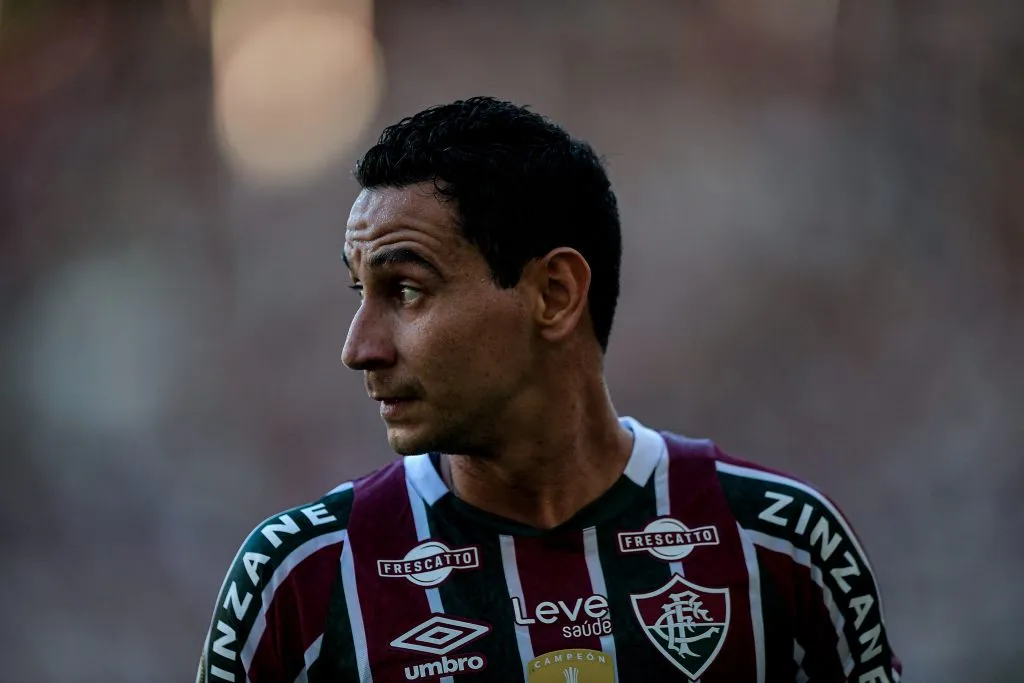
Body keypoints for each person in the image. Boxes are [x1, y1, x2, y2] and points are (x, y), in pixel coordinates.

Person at [196, 97, 901, 683]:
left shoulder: (781, 542)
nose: (358, 348)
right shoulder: (301, 576)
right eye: (361, 291)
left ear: (554, 294)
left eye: (406, 290)